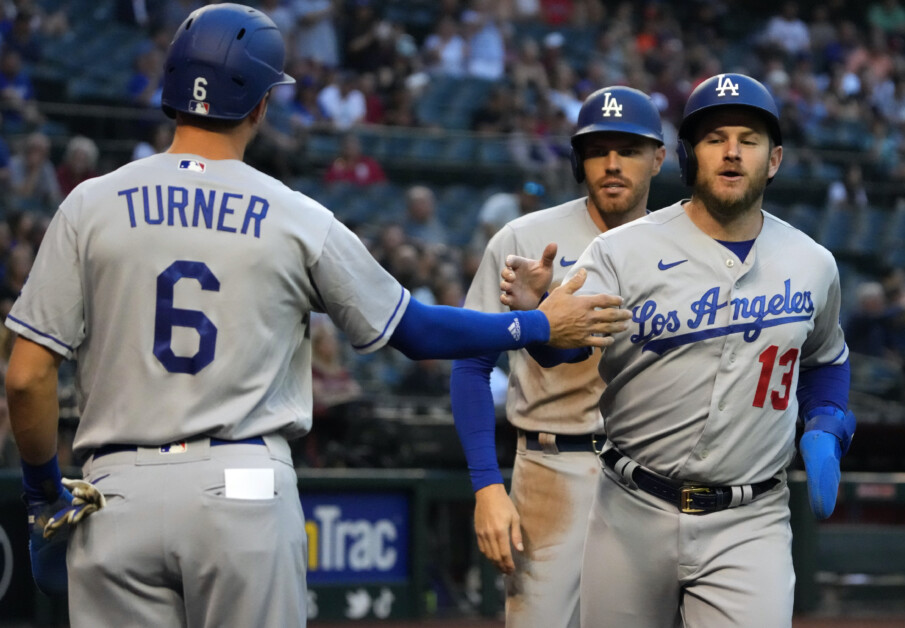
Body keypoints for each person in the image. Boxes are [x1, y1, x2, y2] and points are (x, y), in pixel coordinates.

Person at [3, 5, 631, 627]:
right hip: (241, 486)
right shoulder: (294, 215)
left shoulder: (89, 206)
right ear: (259, 105)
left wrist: (42, 496)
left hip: (117, 489)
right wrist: (538, 325)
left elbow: (27, 377)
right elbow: (414, 330)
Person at [501, 73, 855, 628]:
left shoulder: (813, 264)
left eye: (749, 138)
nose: (732, 151)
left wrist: (827, 423)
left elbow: (825, 358)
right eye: (714, 139)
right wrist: (541, 319)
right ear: (690, 156)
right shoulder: (622, 250)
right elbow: (567, 351)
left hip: (751, 519)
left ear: (776, 158)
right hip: (630, 510)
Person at [451, 86, 666, 628]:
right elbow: (471, 364)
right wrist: (486, 486)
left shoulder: (688, 243)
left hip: (653, 478)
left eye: (629, 149)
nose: (612, 165)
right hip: (551, 470)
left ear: (659, 158)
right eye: (597, 150)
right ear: (578, 160)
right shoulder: (524, 238)